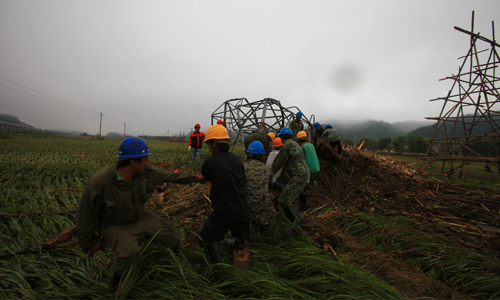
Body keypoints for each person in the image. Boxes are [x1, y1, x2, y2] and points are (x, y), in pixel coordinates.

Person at [76, 137, 204, 287]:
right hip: (115, 224)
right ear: (133, 161)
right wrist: (89, 242)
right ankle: (117, 286)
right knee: (129, 254)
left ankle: (182, 262)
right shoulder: (100, 181)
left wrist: (196, 178)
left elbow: (171, 176)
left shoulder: (147, 172)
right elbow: (85, 214)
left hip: (140, 215)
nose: (148, 162)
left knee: (169, 235)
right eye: (145, 159)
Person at [199, 124, 248, 264]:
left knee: (207, 236)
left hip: (224, 211)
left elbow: (206, 177)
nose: (209, 148)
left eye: (209, 144)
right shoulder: (237, 159)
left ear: (214, 144)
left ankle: (217, 267)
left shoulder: (210, 161)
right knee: (236, 222)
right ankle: (238, 242)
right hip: (241, 207)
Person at [270, 127, 309, 233]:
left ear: (281, 138)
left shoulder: (286, 146)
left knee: (284, 200)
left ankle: (296, 227)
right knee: (287, 198)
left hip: (299, 176)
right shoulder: (296, 145)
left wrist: (268, 176)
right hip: (303, 175)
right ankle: (293, 222)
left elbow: (277, 163)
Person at [241, 141, 275, 233]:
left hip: (245, 208)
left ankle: (243, 235)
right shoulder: (267, 169)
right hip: (264, 209)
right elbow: (269, 187)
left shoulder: (242, 167)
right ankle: (263, 224)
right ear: (261, 156)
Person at [296, 131, 320, 211]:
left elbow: (300, 161)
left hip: (310, 171)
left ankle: (302, 207)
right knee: (304, 184)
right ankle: (303, 196)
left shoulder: (302, 148)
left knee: (300, 185)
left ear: (298, 140)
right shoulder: (311, 145)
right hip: (316, 169)